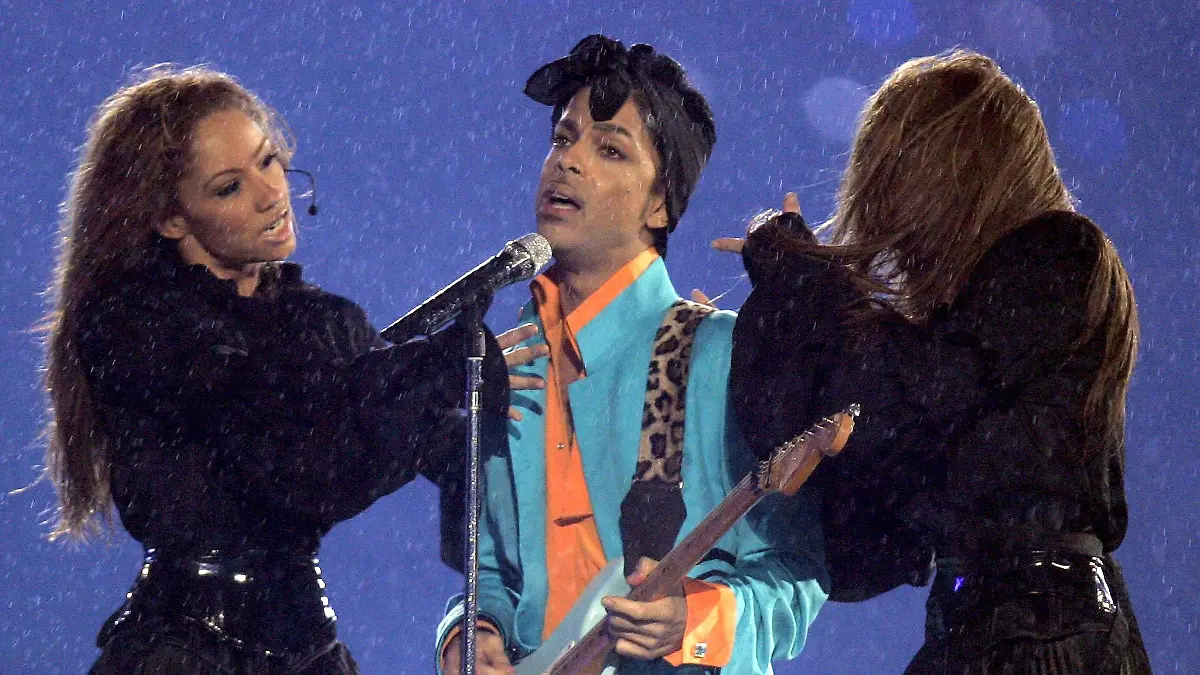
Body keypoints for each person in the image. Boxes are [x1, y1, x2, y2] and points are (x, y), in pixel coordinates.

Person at [40, 65, 509, 674]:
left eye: (268, 161)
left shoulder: (325, 320)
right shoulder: (133, 323)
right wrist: (449, 364)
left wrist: (488, 617)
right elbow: (299, 457)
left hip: (309, 651)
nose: (272, 193)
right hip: (182, 652)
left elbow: (445, 456)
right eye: (229, 186)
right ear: (170, 217)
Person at [723, 50, 1151, 673]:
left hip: (1043, 630)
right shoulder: (971, 319)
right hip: (982, 623)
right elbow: (865, 531)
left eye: (905, 175)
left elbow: (903, 399)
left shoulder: (1058, 254)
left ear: (959, 168)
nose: (893, 213)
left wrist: (803, 280)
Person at [436, 35, 828, 675]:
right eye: (563, 139)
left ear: (659, 205)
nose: (569, 163)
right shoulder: (509, 361)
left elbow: (797, 577)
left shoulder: (716, 353)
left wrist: (693, 620)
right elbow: (493, 574)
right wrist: (469, 635)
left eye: (609, 149)